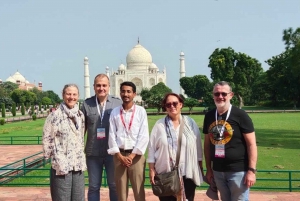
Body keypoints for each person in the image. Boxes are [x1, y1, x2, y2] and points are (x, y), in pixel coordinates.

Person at [203, 81, 257, 201]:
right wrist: (209, 169)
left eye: (223, 93)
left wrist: (251, 171)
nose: (220, 97)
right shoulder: (210, 116)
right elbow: (207, 145)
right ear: (213, 95)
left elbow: (251, 144)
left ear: (231, 95)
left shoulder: (240, 115)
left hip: (238, 171)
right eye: (217, 94)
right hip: (218, 170)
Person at [147, 92, 204, 201]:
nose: (172, 106)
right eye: (168, 104)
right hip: (165, 174)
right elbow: (152, 148)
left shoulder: (190, 123)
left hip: (187, 172)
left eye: (175, 103)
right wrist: (151, 169)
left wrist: (200, 167)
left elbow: (197, 147)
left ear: (181, 104)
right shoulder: (159, 125)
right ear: (165, 107)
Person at [81, 74, 122, 201]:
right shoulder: (87, 104)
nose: (101, 88)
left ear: (109, 86)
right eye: (98, 85)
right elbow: (82, 129)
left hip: (112, 152)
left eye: (104, 85)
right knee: (93, 186)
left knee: (114, 185)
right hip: (93, 152)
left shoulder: (117, 103)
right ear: (94, 87)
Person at [43, 84, 86, 201]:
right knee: (62, 198)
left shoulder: (80, 115)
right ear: (63, 95)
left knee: (79, 198)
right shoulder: (55, 115)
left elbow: (81, 137)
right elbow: (47, 139)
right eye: (68, 94)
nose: (71, 97)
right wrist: (54, 158)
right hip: (61, 165)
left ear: (78, 96)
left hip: (77, 164)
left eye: (74, 94)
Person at [107, 81, 149, 201]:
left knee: (138, 190)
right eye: (123, 91)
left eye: (129, 91)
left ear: (134, 94)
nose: (126, 94)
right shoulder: (115, 112)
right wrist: (120, 156)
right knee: (120, 192)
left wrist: (131, 156)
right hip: (119, 156)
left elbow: (144, 136)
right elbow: (111, 135)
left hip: (136, 157)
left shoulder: (141, 111)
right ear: (120, 93)